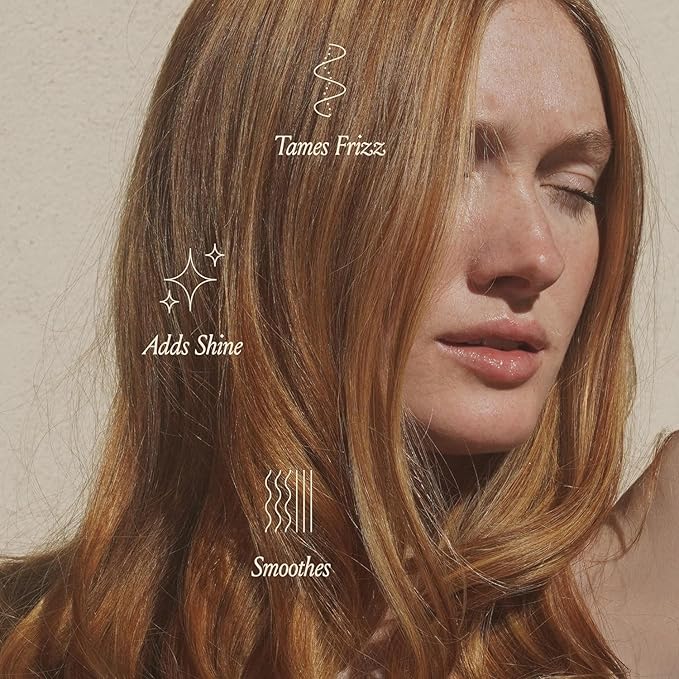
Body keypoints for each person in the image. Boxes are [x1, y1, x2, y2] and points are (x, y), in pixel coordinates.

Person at [1, 0, 677, 676]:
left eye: (573, 188)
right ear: (264, 201)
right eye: (437, 164)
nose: (536, 256)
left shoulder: (641, 601)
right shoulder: (30, 643)